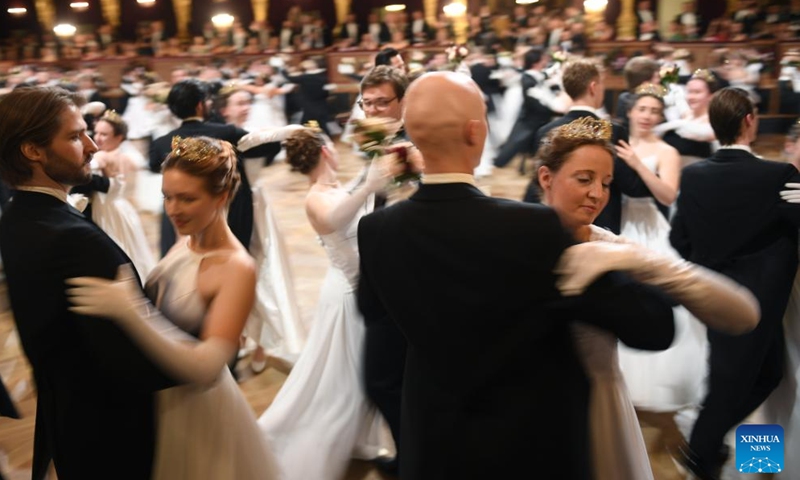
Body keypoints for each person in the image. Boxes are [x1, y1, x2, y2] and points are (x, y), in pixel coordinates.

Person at [357, 70, 676, 480]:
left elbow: (374, 315)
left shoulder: (378, 229)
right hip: (527, 446)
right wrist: (631, 262)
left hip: (433, 441)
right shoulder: (533, 227)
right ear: (476, 132)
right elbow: (652, 327)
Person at [534, 116, 759, 480]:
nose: (597, 194)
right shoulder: (516, 239)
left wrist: (634, 258)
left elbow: (743, 315)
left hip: (599, 409)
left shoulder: (608, 245)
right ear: (547, 178)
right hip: (534, 413)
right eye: (584, 179)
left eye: (606, 183)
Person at [67, 136, 278, 479]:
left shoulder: (236, 268)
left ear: (221, 197)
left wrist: (132, 311)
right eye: (167, 196)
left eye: (187, 198)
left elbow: (208, 366)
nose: (173, 210)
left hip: (197, 408)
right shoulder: (189, 239)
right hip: (159, 394)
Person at [0, 86, 178, 480]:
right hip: (107, 428)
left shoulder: (17, 215)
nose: (92, 147)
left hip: (68, 413)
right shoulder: (71, 238)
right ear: (33, 150)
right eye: (74, 136)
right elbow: (127, 356)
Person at [671, 87, 800, 479]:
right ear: (749, 120)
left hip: (738, 298)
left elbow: (681, 239)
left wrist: (709, 270)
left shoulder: (695, 176)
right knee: (745, 388)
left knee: (770, 380)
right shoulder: (779, 175)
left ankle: (753, 466)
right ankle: (707, 455)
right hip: (768, 302)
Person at [258, 127, 394, 480]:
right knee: (343, 378)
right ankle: (333, 433)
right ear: (326, 152)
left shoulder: (336, 189)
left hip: (363, 288)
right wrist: (368, 184)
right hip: (347, 294)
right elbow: (337, 218)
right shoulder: (315, 197)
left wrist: (377, 167)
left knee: (354, 373)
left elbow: (355, 197)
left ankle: (356, 435)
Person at [149, 78, 282, 257]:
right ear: (200, 105)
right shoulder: (227, 133)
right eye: (208, 101)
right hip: (226, 209)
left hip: (179, 210)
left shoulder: (161, 144)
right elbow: (268, 148)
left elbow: (153, 166)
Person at [522, 58, 654, 234]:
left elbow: (538, 185)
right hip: (599, 222)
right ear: (593, 87)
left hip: (554, 223)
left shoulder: (545, 130)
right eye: (602, 85)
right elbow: (629, 184)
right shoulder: (613, 131)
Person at [87, 109, 155, 279]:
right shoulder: (126, 157)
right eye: (96, 133)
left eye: (104, 134)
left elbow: (92, 166)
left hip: (105, 209)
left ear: (119, 138)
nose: (97, 138)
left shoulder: (103, 155)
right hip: (123, 208)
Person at [656, 68, 719, 168]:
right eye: (689, 92)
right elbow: (678, 98)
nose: (691, 97)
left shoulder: (715, 122)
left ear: (711, 96)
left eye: (697, 92)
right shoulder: (686, 115)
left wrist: (676, 124)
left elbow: (706, 133)